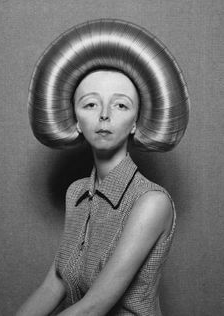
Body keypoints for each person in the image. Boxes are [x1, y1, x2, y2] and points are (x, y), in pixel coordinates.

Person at [16, 19, 189, 316]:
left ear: (137, 120)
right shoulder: (77, 194)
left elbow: (95, 306)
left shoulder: (151, 202)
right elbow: (54, 284)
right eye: (91, 104)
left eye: (120, 105)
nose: (105, 116)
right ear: (75, 119)